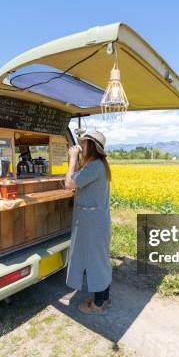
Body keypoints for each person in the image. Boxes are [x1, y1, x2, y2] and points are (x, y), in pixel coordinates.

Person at [64, 130, 112, 315]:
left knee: (96, 262)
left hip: (93, 224)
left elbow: (69, 183)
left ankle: (98, 304)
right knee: (100, 260)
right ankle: (104, 297)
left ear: (91, 147)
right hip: (96, 222)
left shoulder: (94, 167)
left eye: (83, 144)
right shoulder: (98, 165)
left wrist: (72, 159)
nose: (80, 146)